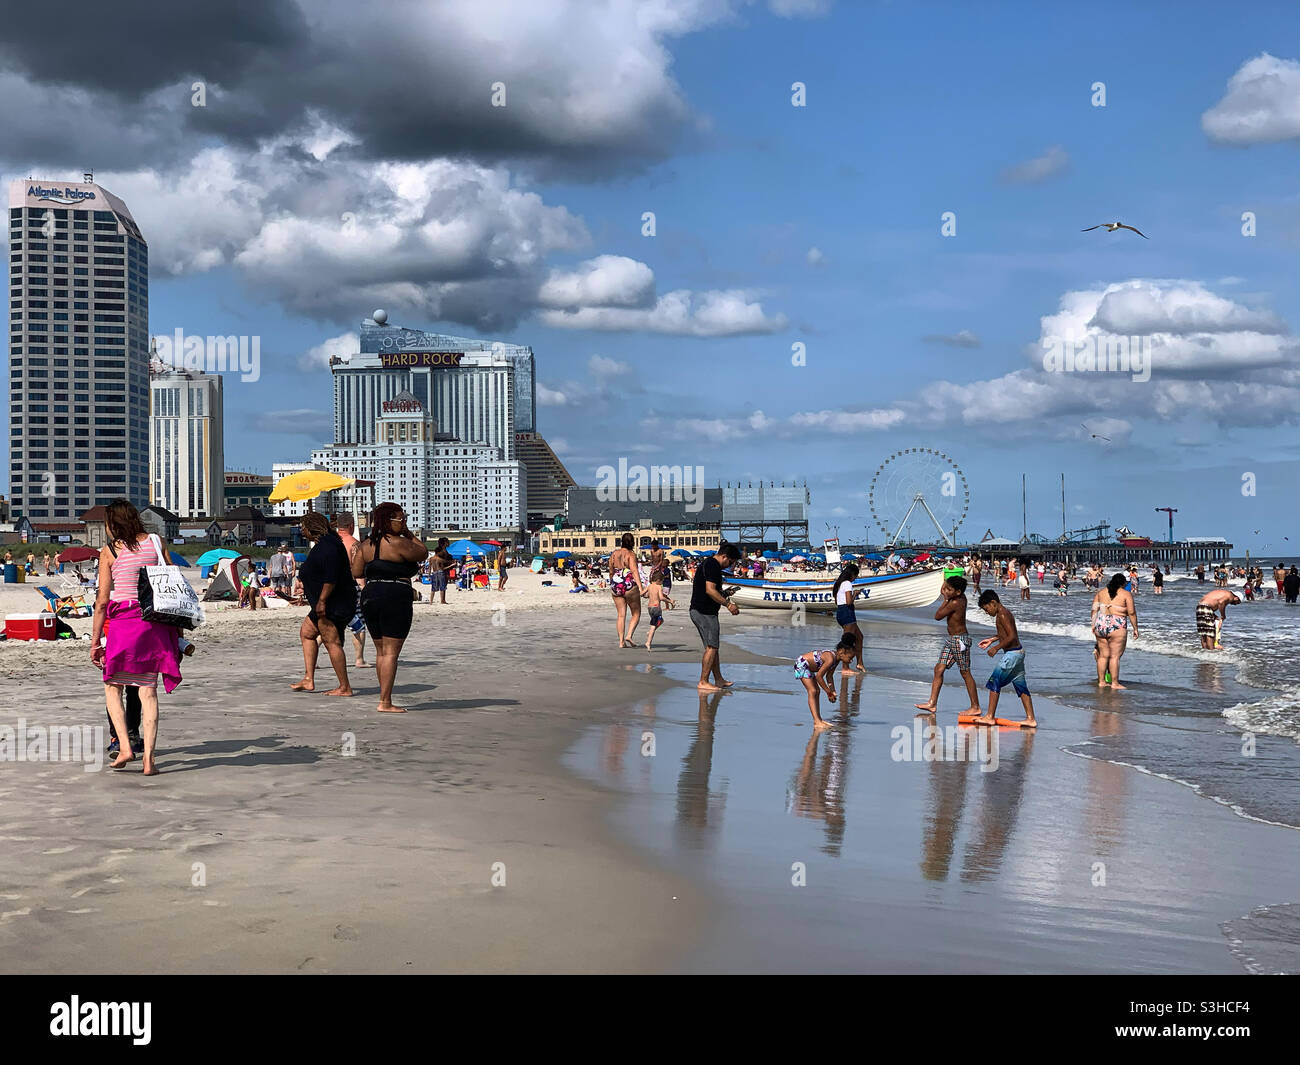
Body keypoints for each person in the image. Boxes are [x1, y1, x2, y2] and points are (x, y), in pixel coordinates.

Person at [89, 499, 185, 774]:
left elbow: (102, 602)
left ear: (114, 524)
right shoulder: (156, 542)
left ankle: (126, 747)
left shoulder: (109, 552)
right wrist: (177, 633)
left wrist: (95, 642)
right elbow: (173, 587)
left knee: (112, 686)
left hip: (125, 624)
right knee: (148, 690)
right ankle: (149, 760)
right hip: (155, 624)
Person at [352, 502, 428, 713]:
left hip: (371, 595)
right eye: (401, 519)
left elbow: (357, 571)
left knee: (380, 651)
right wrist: (408, 533)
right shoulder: (397, 542)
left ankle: (383, 697)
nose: (404, 522)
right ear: (389, 520)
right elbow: (422, 552)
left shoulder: (365, 545)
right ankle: (385, 702)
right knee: (391, 652)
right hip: (394, 594)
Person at [291, 512, 355, 696]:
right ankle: (309, 679)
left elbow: (331, 578)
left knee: (331, 642)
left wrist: (321, 601)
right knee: (307, 633)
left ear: (312, 527)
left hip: (331, 604)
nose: (302, 531)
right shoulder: (325, 544)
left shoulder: (329, 546)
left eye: (304, 527)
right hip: (323, 603)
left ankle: (345, 687)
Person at [914, 575, 981, 715]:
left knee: (965, 672)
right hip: (952, 640)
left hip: (959, 640)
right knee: (939, 669)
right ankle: (932, 703)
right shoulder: (961, 598)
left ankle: (975, 706)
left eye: (949, 589)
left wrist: (945, 599)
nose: (945, 591)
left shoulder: (955, 602)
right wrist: (946, 589)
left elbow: (937, 616)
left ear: (957, 592)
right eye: (945, 588)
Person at [973, 591, 1036, 728]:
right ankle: (1031, 718)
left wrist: (996, 648)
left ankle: (989, 716)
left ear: (993, 603)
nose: (986, 612)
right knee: (1020, 685)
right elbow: (1005, 633)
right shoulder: (1003, 613)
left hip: (1012, 655)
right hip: (1018, 653)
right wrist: (992, 639)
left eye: (986, 609)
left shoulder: (1002, 614)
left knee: (994, 681)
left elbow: (1012, 636)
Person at [690, 542, 742, 692]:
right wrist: (729, 604)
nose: (730, 565)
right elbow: (710, 591)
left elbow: (712, 591)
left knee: (713, 647)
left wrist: (726, 593)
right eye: (731, 562)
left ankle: (718, 679)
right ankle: (703, 681)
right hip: (703, 612)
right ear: (724, 556)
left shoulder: (710, 565)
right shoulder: (712, 565)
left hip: (702, 610)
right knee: (712, 647)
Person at [794, 634, 856, 732]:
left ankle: (819, 719)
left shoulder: (836, 661)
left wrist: (833, 691)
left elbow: (829, 676)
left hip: (809, 668)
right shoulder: (830, 659)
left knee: (817, 691)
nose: (851, 660)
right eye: (850, 657)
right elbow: (819, 676)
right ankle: (816, 721)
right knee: (813, 691)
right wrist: (828, 692)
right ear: (841, 652)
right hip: (802, 664)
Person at [1091, 572, 1138, 690]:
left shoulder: (1100, 593)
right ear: (1123, 583)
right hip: (1117, 624)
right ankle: (1115, 683)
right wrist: (1135, 628)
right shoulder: (1126, 594)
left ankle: (1101, 682)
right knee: (1115, 656)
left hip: (1100, 623)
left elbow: (1094, 610)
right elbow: (1131, 613)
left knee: (1103, 656)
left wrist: (1093, 625)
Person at [335, 513, 370, 669]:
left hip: (332, 587)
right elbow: (358, 571)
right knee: (358, 624)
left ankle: (313, 658)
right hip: (350, 587)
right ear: (351, 525)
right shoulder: (355, 544)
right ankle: (359, 659)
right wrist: (363, 588)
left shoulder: (330, 542)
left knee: (330, 624)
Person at [608, 532, 646, 648]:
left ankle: (621, 642)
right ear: (632, 542)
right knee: (636, 613)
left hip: (616, 582)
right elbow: (634, 571)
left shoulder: (614, 554)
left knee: (621, 615)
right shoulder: (631, 554)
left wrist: (612, 582)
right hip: (629, 583)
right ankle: (629, 635)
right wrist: (640, 587)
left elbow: (610, 570)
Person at [830, 562, 865, 673]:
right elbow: (849, 602)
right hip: (847, 612)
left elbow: (837, 602)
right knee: (848, 642)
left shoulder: (838, 584)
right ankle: (845, 667)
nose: (856, 578)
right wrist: (855, 594)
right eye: (856, 575)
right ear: (852, 574)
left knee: (859, 637)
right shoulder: (847, 584)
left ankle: (860, 663)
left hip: (841, 612)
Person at [430, 537, 453, 605]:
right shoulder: (442, 551)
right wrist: (451, 562)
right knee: (443, 585)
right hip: (442, 569)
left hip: (437, 571)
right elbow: (442, 560)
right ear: (444, 543)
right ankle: (442, 600)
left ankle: (441, 600)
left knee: (436, 586)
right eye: (447, 542)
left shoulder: (441, 550)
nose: (449, 543)